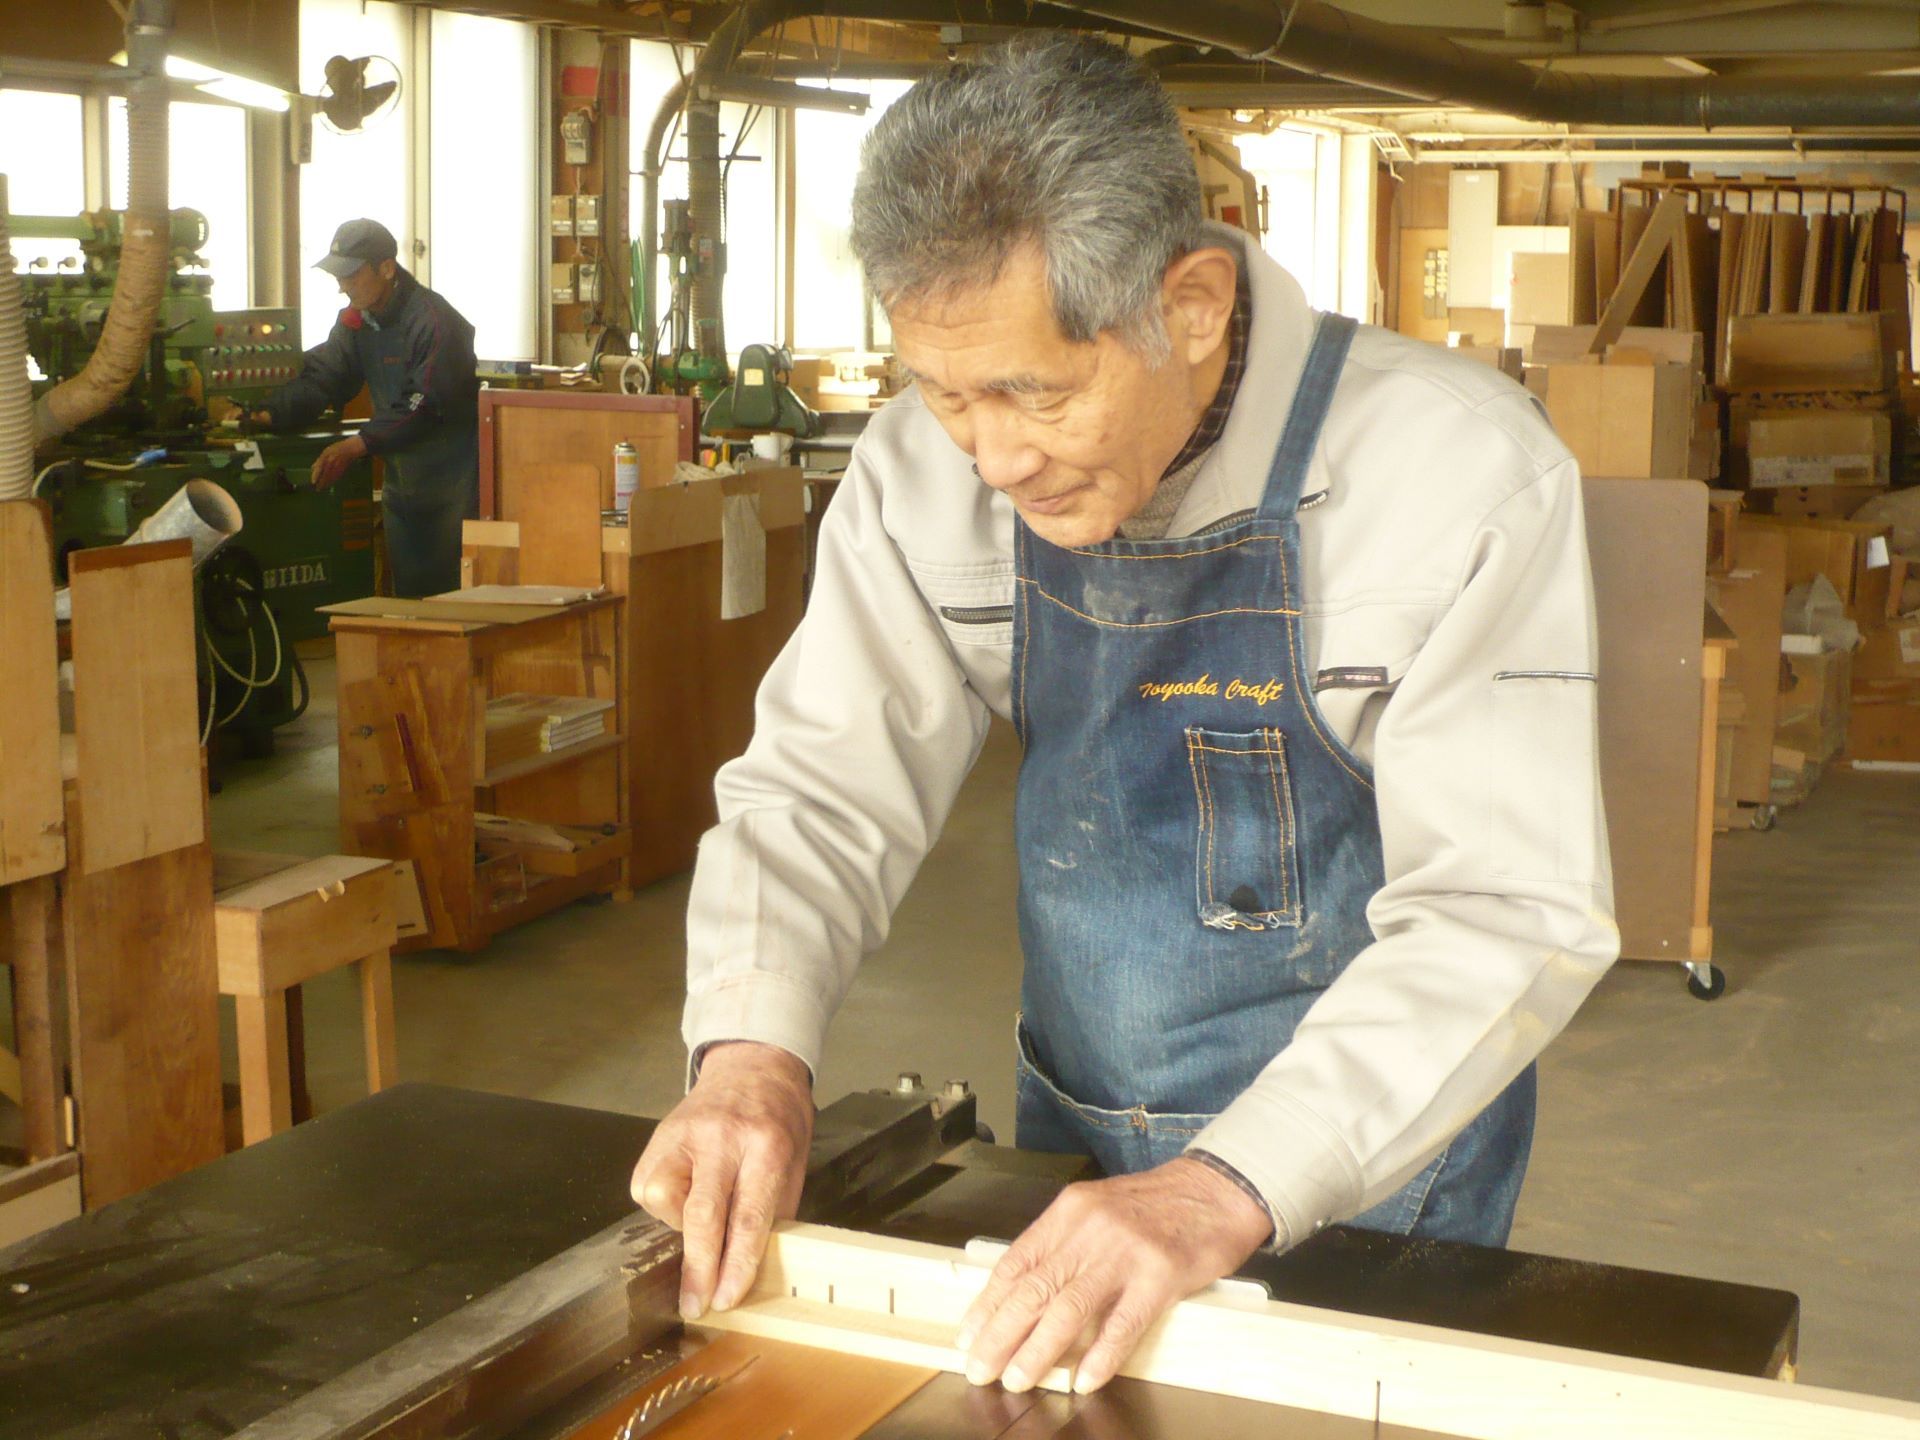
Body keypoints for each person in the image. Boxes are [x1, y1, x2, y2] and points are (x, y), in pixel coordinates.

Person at [631, 35, 1619, 1396]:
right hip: (1074, 1128)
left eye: (1035, 392)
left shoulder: (1456, 473)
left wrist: (1219, 1187)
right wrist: (750, 1053)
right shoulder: (925, 471)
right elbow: (821, 786)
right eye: (944, 392)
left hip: (1375, 1162)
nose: (994, 456)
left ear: (1193, 306)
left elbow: (1504, 909)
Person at [248, 218, 479, 598]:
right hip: (402, 481)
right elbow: (327, 374)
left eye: (352, 276)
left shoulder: (435, 322)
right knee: (410, 598)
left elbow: (423, 403)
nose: (343, 287)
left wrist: (357, 445)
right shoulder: (358, 321)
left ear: (386, 268)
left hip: (452, 484)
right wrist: (271, 413)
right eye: (339, 277)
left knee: (453, 599)